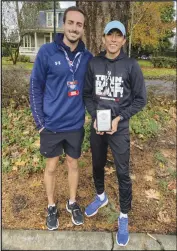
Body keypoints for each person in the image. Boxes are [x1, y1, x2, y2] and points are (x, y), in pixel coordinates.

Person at [83, 20, 146, 246]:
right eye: (110, 35)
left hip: (119, 128)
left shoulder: (131, 65)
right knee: (97, 165)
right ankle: (101, 196)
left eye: (118, 36)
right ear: (103, 38)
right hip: (98, 128)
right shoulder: (94, 63)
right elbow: (88, 95)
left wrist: (119, 117)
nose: (113, 39)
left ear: (124, 41)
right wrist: (94, 116)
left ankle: (124, 215)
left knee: (122, 172)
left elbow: (141, 99)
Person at [29, 6, 92, 230]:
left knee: (73, 164)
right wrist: (40, 123)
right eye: (71, 23)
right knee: (52, 167)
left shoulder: (87, 57)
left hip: (75, 124)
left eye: (79, 24)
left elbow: (91, 91)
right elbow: (35, 86)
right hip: (52, 124)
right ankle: (51, 206)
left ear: (83, 29)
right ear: (63, 25)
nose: (75, 28)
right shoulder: (47, 52)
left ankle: (72, 202)